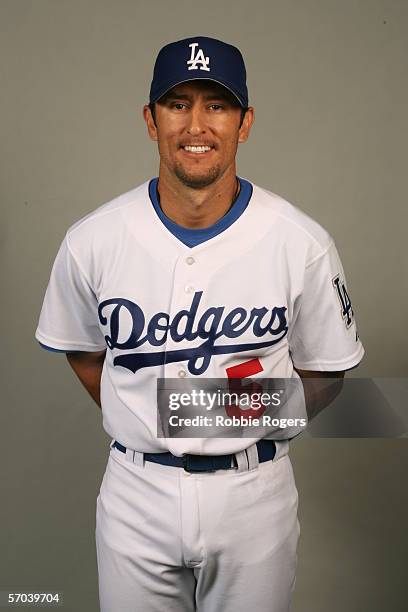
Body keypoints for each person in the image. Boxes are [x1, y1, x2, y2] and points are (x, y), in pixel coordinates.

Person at [35, 36, 364, 612]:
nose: (196, 123)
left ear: (245, 123)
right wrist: (147, 417)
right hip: (135, 490)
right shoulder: (92, 239)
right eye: (177, 102)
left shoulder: (300, 240)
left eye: (216, 105)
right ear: (150, 119)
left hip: (253, 492)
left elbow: (328, 371)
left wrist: (222, 412)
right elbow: (83, 352)